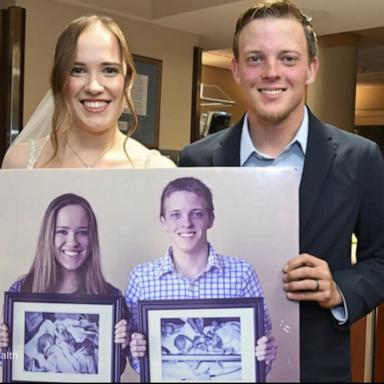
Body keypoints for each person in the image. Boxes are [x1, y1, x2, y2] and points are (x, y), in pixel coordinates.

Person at [177, 0, 384, 381]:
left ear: (311, 69)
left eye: (288, 58)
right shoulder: (196, 160)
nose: (272, 73)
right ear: (237, 70)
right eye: (256, 59)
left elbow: (381, 258)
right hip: (215, 365)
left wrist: (339, 288)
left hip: (315, 367)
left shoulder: (360, 158)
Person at [126, 177, 278, 374]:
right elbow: (132, 352)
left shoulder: (242, 274)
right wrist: (135, 349)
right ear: (163, 221)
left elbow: (262, 343)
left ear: (210, 219)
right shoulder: (141, 278)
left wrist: (265, 352)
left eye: (196, 214)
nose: (186, 223)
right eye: (175, 215)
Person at [1, 15, 174, 169]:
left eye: (109, 70)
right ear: (60, 80)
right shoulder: (19, 162)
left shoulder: (156, 169)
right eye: (78, 70)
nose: (94, 87)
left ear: (128, 81)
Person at [0, 193, 129, 372]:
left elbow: (116, 370)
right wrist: (3, 349)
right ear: (48, 237)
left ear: (92, 239)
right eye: (62, 231)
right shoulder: (21, 291)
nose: (72, 241)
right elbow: (9, 360)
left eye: (82, 233)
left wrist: (119, 348)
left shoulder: (111, 297)